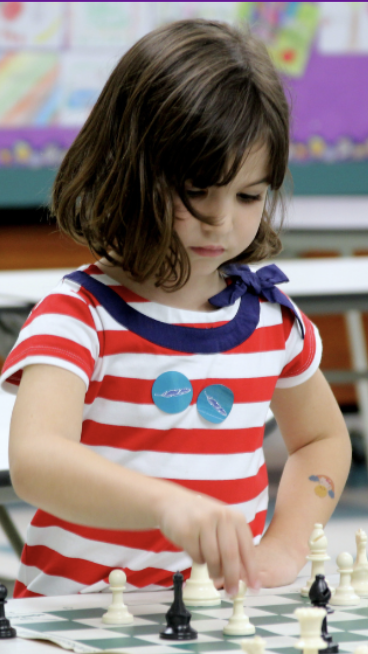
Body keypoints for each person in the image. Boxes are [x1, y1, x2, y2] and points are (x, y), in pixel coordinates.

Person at [1, 19, 351, 599]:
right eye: (196, 190)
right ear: (130, 170)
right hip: (75, 622)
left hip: (209, 622)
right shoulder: (80, 315)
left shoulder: (270, 320)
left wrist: (286, 545)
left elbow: (322, 440)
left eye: (248, 195)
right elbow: (36, 459)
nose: (222, 219)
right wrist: (166, 505)